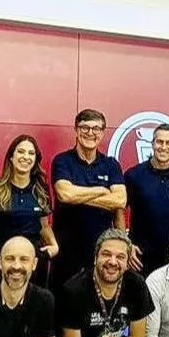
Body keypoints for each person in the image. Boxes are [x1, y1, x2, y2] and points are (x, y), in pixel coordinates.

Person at [50, 108, 126, 290]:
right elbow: (65, 194)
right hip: (66, 252)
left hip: (102, 253)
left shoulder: (110, 164)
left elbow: (120, 201)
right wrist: (101, 190)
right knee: (63, 309)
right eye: (85, 128)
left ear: (102, 133)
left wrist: (78, 196)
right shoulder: (62, 161)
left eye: (96, 129)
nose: (90, 133)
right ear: (76, 130)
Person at [0, 134, 58, 291]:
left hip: (34, 261)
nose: (25, 157)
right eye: (21, 152)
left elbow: (44, 225)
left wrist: (54, 245)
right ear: (11, 157)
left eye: (31, 153)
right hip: (1, 260)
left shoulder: (41, 190)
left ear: (35, 160)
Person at [123, 123, 169, 277]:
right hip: (138, 257)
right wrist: (125, 243)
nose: (163, 147)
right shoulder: (134, 175)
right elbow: (118, 210)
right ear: (152, 144)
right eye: (159, 142)